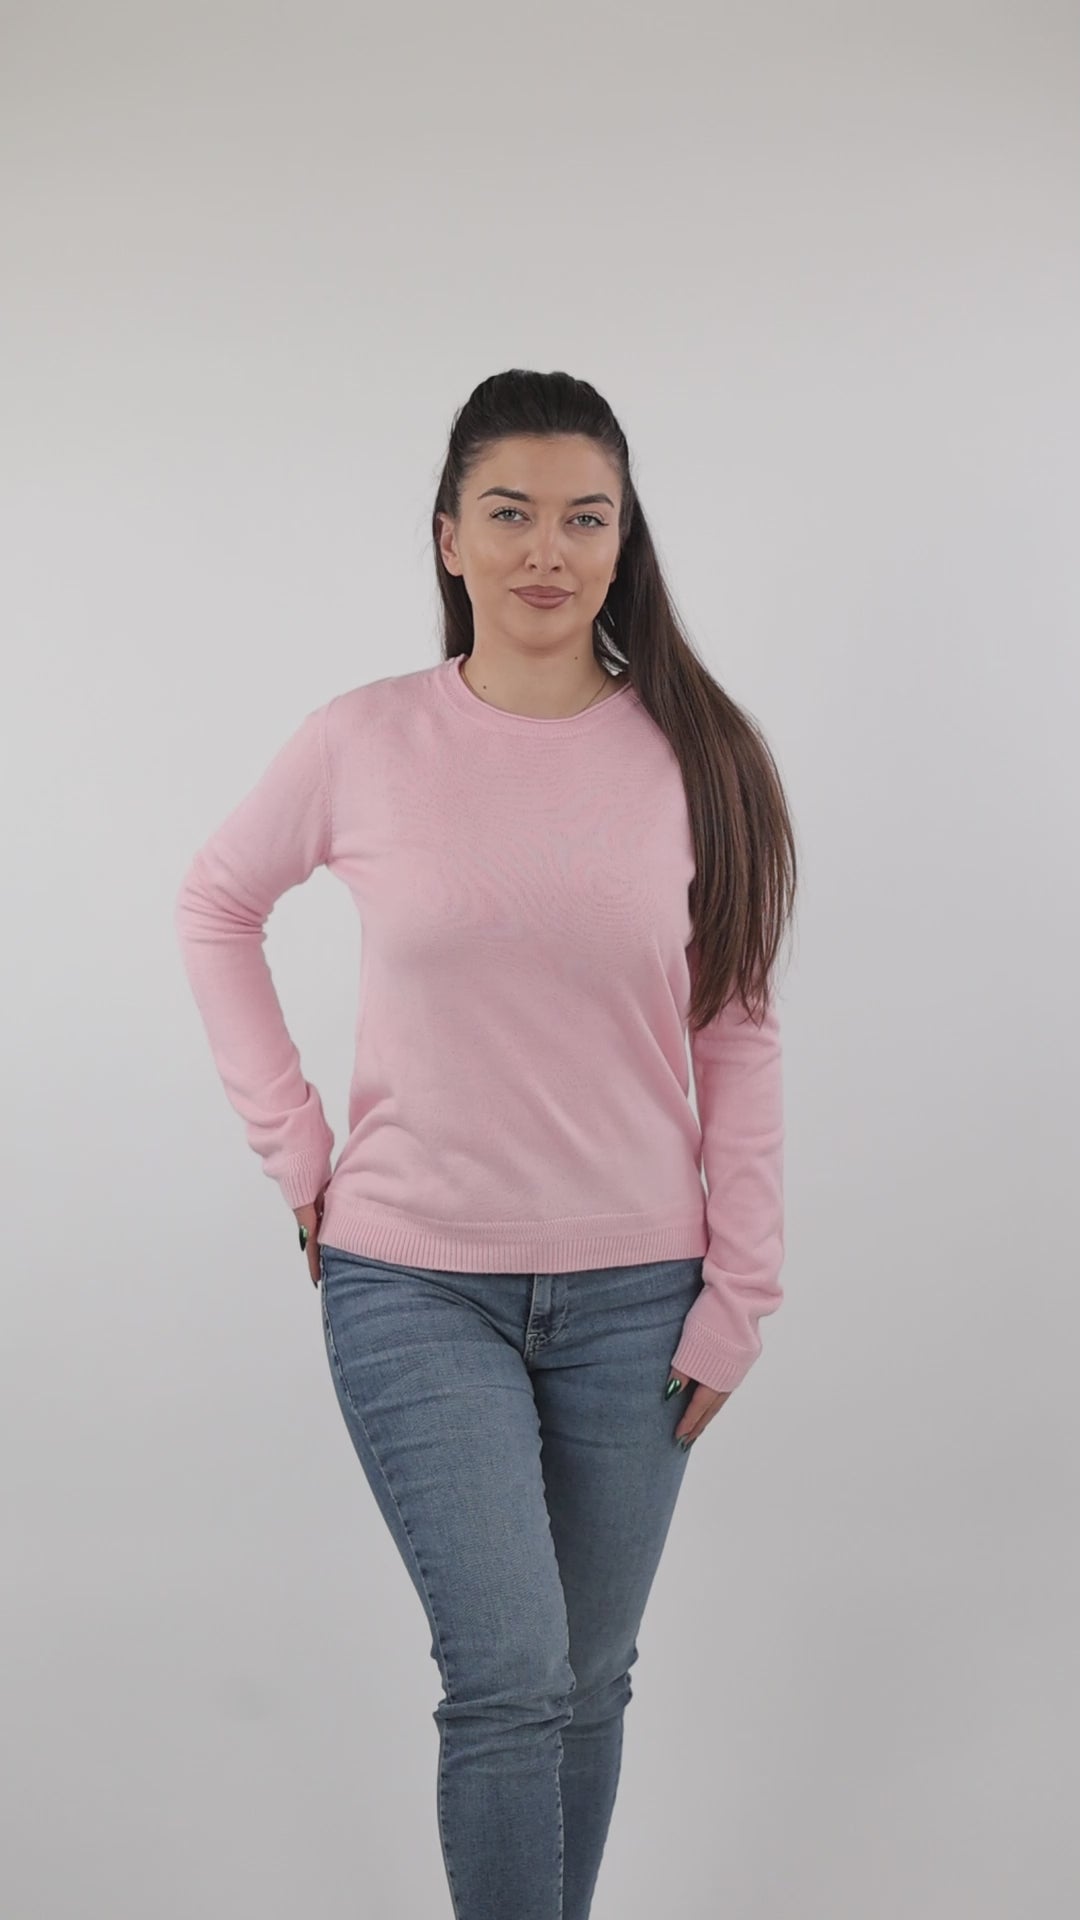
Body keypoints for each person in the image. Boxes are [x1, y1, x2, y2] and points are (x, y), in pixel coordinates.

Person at [173, 366, 798, 1920]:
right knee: (512, 1670)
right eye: (509, 513)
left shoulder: (699, 759)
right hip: (413, 1283)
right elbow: (217, 906)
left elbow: (737, 1032)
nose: (547, 550)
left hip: (641, 1297)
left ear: (624, 540)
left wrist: (742, 1294)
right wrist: (297, 1152)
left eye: (586, 518)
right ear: (449, 537)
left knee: (589, 1676)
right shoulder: (364, 741)